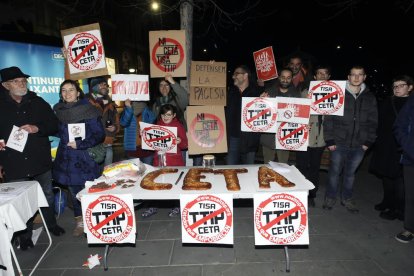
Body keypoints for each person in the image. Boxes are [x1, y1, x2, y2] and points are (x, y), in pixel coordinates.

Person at [0, 66, 65, 250]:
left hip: (39, 160)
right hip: (14, 162)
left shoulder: (37, 102)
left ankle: (51, 224)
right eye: (16, 81)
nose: (21, 84)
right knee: (21, 202)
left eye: (23, 80)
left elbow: (54, 124)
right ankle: (25, 235)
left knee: (47, 195)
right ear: (6, 85)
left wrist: (38, 128)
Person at [52, 80, 105, 236]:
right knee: (74, 192)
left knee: (89, 190)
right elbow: (57, 132)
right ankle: (80, 222)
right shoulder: (58, 111)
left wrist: (81, 143)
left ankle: (95, 220)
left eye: (71, 90)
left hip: (84, 159)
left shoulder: (89, 111)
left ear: (78, 92)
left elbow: (99, 135)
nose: (67, 93)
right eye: (64, 90)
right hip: (66, 159)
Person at [323, 65, 378, 213]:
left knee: (350, 175)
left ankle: (347, 199)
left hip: (359, 145)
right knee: (334, 173)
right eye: (353, 74)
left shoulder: (370, 97)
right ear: (348, 77)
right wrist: (330, 140)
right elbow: (328, 118)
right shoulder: (338, 94)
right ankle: (330, 197)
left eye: (360, 74)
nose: (356, 77)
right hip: (338, 143)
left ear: (364, 77)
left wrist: (368, 142)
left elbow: (373, 122)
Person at [369, 75, 413, 220]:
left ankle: (398, 209)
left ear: (410, 87)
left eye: (401, 85)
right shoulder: (387, 101)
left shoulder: (411, 103)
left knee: (400, 180)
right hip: (385, 144)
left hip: (402, 147)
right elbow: (378, 122)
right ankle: (387, 201)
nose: (397, 88)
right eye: (395, 86)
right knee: (386, 176)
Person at [142, 104, 188, 218]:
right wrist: (145, 137)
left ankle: (176, 206)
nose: (165, 117)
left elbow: (185, 145)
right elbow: (150, 144)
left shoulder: (179, 126)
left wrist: (180, 141)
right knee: (156, 184)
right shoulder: (156, 126)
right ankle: (153, 206)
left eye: (168, 114)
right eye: (163, 114)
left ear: (174, 115)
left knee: (174, 185)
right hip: (159, 161)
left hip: (175, 161)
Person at [296, 65, 331, 207]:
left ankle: (311, 195)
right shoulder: (305, 92)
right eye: (319, 73)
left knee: (314, 168)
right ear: (315, 77)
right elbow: (297, 112)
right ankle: (300, 193)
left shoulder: (336, 95)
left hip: (321, 138)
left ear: (329, 77)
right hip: (305, 137)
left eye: (325, 73)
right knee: (302, 167)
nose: (322, 76)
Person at [260, 68, 301, 164]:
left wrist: (303, 125)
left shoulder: (296, 95)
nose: (285, 80)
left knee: (283, 166)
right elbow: (260, 112)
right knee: (267, 166)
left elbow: (300, 117)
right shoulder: (268, 92)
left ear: (291, 79)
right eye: (283, 77)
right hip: (268, 137)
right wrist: (260, 100)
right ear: (279, 77)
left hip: (285, 137)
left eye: (288, 78)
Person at [226, 65, 263, 165]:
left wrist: (265, 100)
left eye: (236, 74)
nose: (233, 77)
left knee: (249, 170)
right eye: (233, 74)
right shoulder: (230, 92)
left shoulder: (257, 92)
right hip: (233, 137)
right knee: (230, 168)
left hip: (250, 138)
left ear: (245, 75)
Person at [152, 74, 191, 164]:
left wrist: (172, 82)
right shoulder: (156, 104)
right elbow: (154, 124)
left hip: (178, 144)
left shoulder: (177, 100)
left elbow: (185, 97)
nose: (164, 88)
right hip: (162, 145)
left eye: (166, 85)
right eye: (161, 85)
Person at [394, 90, 414, 243]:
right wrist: (409, 147)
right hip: (411, 157)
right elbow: (400, 125)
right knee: (411, 196)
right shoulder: (412, 101)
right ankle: (409, 228)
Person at [87, 76, 120, 167]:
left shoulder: (110, 103)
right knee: (93, 174)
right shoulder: (86, 102)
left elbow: (116, 122)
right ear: (93, 86)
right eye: (101, 84)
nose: (104, 86)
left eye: (105, 84)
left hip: (107, 144)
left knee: (107, 173)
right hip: (91, 146)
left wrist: (114, 128)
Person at [120, 100, 156, 165]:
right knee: (135, 174)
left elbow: (154, 122)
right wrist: (129, 108)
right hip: (132, 150)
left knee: (148, 172)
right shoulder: (127, 110)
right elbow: (123, 123)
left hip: (147, 150)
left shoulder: (147, 110)